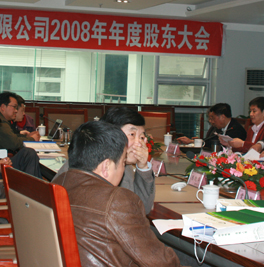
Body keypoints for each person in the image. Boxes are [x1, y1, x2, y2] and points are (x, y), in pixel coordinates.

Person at [53, 121, 180, 267]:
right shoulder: (117, 200)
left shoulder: (58, 183)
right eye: (123, 162)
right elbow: (161, 262)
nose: (123, 169)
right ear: (106, 166)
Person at [53, 107, 156, 214]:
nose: (139, 143)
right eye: (132, 135)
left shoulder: (126, 167)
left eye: (142, 137)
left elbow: (143, 208)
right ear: (110, 135)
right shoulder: (86, 164)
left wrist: (143, 167)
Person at [0, 91, 42, 178]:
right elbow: (13, 142)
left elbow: (11, 136)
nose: (16, 110)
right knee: (28, 154)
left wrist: (26, 136)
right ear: (3, 107)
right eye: (14, 107)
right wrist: (32, 139)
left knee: (28, 155)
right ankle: (32, 185)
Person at [179, 103, 246, 145]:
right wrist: (194, 141)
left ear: (223, 117)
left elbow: (218, 145)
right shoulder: (219, 127)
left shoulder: (236, 129)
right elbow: (210, 141)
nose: (212, 121)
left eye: (213, 118)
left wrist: (193, 141)